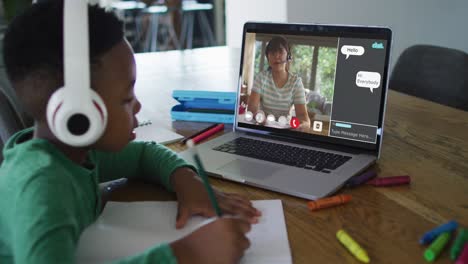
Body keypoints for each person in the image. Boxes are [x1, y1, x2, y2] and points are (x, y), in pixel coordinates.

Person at [0, 2, 260, 264]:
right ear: (78, 114)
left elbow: (143, 155)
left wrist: (187, 182)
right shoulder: (42, 188)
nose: (137, 105)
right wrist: (187, 254)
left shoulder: (74, 153)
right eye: (126, 98)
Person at [247, 36, 311, 129]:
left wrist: (301, 126)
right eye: (272, 53)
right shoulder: (261, 78)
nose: (276, 56)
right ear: (267, 57)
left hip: (285, 131)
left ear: (288, 56)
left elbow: (304, 118)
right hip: (263, 128)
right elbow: (252, 109)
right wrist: (258, 115)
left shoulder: (296, 82)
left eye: (280, 51)